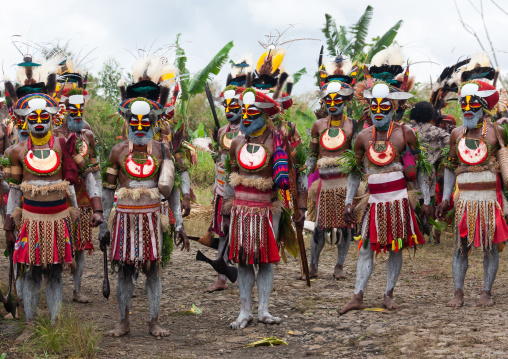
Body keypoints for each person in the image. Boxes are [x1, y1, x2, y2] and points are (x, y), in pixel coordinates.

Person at [99, 56, 189, 337]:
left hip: (152, 217)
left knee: (153, 270)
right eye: (134, 122)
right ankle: (123, 321)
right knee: (125, 270)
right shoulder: (117, 151)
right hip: (124, 217)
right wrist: (103, 223)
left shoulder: (162, 152)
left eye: (145, 121)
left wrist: (178, 224)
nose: (139, 127)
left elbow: (172, 190)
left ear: (154, 121)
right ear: (127, 120)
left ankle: (153, 321)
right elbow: (107, 189)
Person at [338, 46, 429, 315]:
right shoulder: (362, 137)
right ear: (368, 106)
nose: (379, 110)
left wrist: (426, 199)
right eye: (374, 106)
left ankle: (389, 293)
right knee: (366, 247)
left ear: (395, 106)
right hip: (374, 202)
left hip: (399, 201)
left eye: (384, 106)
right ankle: (358, 295)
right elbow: (355, 172)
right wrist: (348, 201)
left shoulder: (405, 133)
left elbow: (422, 169)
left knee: (396, 248)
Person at [227, 87, 306, 329]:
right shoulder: (237, 142)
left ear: (264, 114)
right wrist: (225, 208)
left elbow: (293, 176)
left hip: (267, 209)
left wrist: (299, 207)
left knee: (265, 260)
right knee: (242, 259)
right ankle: (244, 311)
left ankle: (263, 309)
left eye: (252, 111)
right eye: (244, 111)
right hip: (240, 209)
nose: (246, 116)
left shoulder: (278, 141)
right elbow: (231, 174)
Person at [436, 79, 508, 308]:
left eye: (472, 106)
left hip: (490, 200)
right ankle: (458, 293)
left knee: (490, 247)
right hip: (464, 200)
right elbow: (449, 167)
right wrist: (446, 197)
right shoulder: (456, 134)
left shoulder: (497, 132)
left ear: (484, 108)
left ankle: (486, 293)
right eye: (463, 105)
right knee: (460, 247)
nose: (467, 110)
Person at [305, 52, 360, 279]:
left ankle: (339, 266)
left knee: (345, 227)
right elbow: (311, 154)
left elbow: (357, 156)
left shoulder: (352, 126)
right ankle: (313, 265)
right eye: (329, 100)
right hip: (324, 184)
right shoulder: (318, 125)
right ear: (324, 102)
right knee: (319, 227)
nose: (333, 104)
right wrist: (303, 177)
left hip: (345, 183)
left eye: (338, 100)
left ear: (346, 101)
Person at [202, 56, 251, 293]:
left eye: (235, 108)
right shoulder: (222, 131)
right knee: (222, 232)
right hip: (224, 189)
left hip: (244, 190)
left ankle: (245, 275)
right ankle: (221, 277)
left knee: (242, 234)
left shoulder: (251, 130)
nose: (230, 112)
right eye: (227, 108)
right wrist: (216, 184)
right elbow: (220, 161)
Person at [53, 58, 99, 303]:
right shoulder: (53, 136)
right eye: (73, 111)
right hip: (58, 198)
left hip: (81, 199)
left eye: (80, 111)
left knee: (80, 246)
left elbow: (93, 169)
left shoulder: (88, 134)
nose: (78, 115)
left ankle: (77, 289)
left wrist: (97, 202)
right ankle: (55, 288)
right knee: (60, 244)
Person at [407, 101, 450, 243]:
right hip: (428, 171)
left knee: (409, 200)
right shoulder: (436, 132)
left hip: (408, 170)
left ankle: (412, 231)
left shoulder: (405, 129)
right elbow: (451, 146)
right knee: (428, 201)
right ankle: (427, 231)